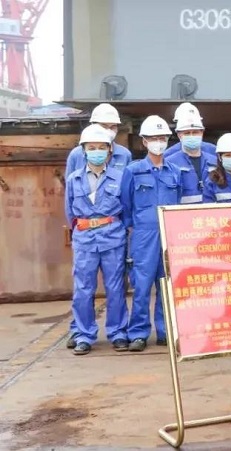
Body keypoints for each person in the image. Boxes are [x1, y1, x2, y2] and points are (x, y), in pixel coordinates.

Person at [64, 103, 132, 350]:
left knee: (116, 287)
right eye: (91, 148)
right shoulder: (74, 177)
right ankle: (83, 334)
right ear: (83, 150)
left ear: (109, 150)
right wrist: (78, 231)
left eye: (101, 147)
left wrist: (121, 231)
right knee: (83, 289)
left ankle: (118, 332)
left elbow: (127, 206)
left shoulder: (120, 173)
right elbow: (69, 209)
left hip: (112, 237)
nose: (97, 152)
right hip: (85, 238)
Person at [121, 115, 182, 352]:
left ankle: (164, 331)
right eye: (153, 138)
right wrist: (137, 229)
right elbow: (126, 205)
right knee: (142, 287)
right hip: (144, 236)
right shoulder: (133, 171)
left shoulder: (174, 171)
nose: (158, 142)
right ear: (144, 142)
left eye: (162, 138)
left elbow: (177, 202)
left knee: (166, 285)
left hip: (169, 234)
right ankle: (138, 333)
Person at [65, 103, 132, 176]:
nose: (109, 131)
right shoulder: (76, 154)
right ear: (93, 125)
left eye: (113, 127)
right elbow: (69, 181)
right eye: (104, 126)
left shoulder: (124, 154)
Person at [166, 115, 216, 205]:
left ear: (202, 133)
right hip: (183, 212)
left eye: (195, 132)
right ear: (179, 135)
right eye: (187, 133)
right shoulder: (169, 163)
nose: (191, 136)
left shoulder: (214, 161)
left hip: (212, 212)